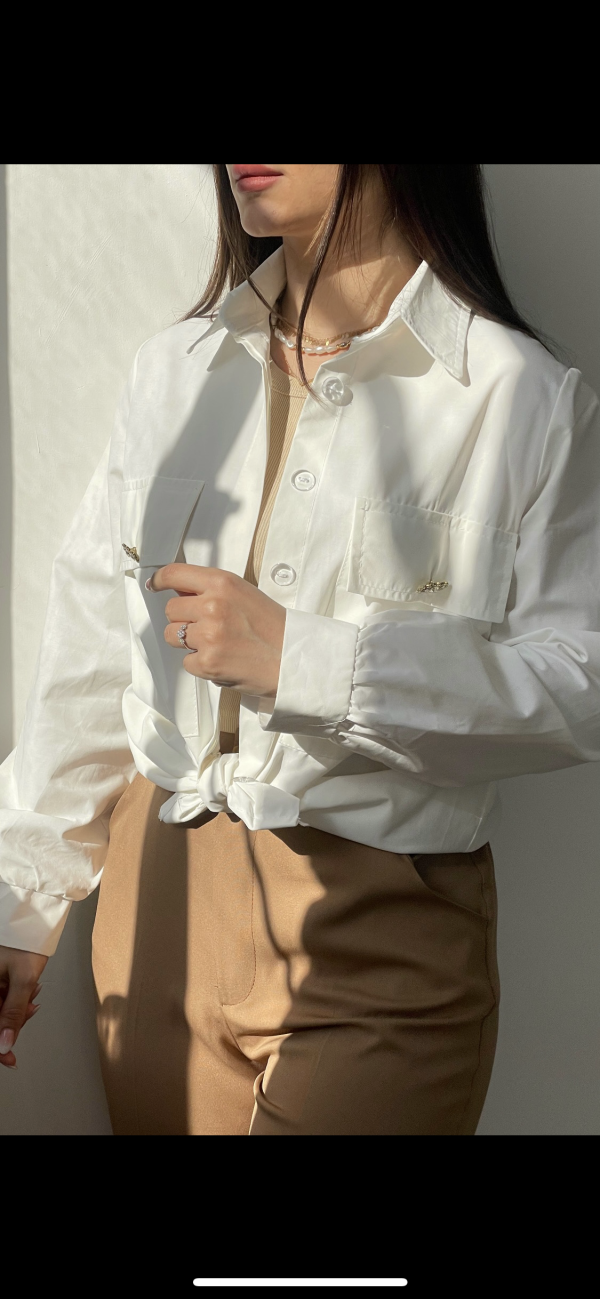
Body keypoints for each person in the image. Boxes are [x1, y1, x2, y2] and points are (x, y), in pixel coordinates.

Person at [1, 164, 599, 1135]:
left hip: (382, 928)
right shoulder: (174, 370)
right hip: (156, 913)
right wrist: (22, 898)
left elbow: (580, 683)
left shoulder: (518, 396)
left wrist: (309, 663)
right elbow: (95, 647)